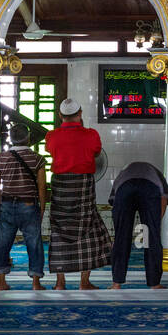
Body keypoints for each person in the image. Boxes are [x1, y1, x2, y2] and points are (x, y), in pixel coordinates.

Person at [45, 99, 110, 290]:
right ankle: (84, 281)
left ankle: (60, 282)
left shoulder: (52, 136)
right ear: (80, 114)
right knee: (89, 227)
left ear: (60, 116)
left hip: (61, 186)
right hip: (83, 185)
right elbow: (97, 153)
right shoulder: (91, 135)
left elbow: (51, 150)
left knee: (58, 230)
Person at [0, 122, 47, 291]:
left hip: (7, 204)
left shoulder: (1, 158)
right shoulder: (37, 159)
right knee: (34, 243)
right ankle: (36, 283)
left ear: (11, 139)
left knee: (2, 243)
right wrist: (42, 208)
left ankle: (1, 282)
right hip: (29, 205)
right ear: (28, 138)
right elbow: (42, 187)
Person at [109, 160, 168, 290]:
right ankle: (155, 283)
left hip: (124, 189)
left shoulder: (123, 173)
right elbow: (163, 200)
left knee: (121, 238)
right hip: (149, 189)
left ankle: (116, 283)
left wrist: (121, 229)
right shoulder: (158, 175)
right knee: (151, 238)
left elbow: (114, 204)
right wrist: (153, 224)